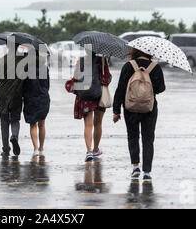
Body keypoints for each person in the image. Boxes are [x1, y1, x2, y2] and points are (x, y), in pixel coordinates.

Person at [112, 48, 165, 183]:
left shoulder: (128, 66)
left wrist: (116, 110)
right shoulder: (156, 67)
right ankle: (147, 173)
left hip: (130, 108)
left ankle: (135, 167)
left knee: (133, 136)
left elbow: (120, 89)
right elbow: (161, 88)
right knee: (148, 139)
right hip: (149, 108)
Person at [66, 52, 111, 162]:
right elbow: (107, 79)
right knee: (98, 123)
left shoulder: (80, 61)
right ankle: (96, 149)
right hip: (99, 95)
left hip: (85, 96)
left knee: (88, 125)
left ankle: (89, 151)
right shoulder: (102, 61)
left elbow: (76, 79)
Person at [0, 45, 24, 158]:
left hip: (3, 94)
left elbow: (0, 78)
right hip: (17, 93)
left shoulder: (3, 59)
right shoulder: (23, 59)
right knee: (15, 119)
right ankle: (14, 136)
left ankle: (6, 148)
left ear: (8, 46)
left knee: (4, 122)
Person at [23, 51, 50, 157]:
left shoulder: (28, 68)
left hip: (31, 98)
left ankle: (35, 149)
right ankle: (42, 148)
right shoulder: (45, 68)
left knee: (33, 124)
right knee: (42, 124)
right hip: (43, 97)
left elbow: (24, 85)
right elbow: (47, 85)